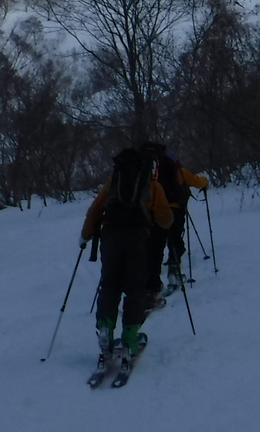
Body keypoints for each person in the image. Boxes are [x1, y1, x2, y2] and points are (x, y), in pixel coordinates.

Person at [80, 146, 174, 372]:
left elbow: (95, 209)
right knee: (135, 288)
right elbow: (165, 219)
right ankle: (130, 337)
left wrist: (86, 235)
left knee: (110, 284)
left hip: (110, 237)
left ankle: (105, 327)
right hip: (137, 239)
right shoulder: (152, 185)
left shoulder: (113, 183)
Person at [140, 142, 208, 296]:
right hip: (175, 209)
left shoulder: (148, 175)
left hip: (154, 212)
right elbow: (198, 182)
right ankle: (174, 269)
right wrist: (206, 182)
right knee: (175, 240)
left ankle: (149, 279)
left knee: (154, 244)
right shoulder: (180, 171)